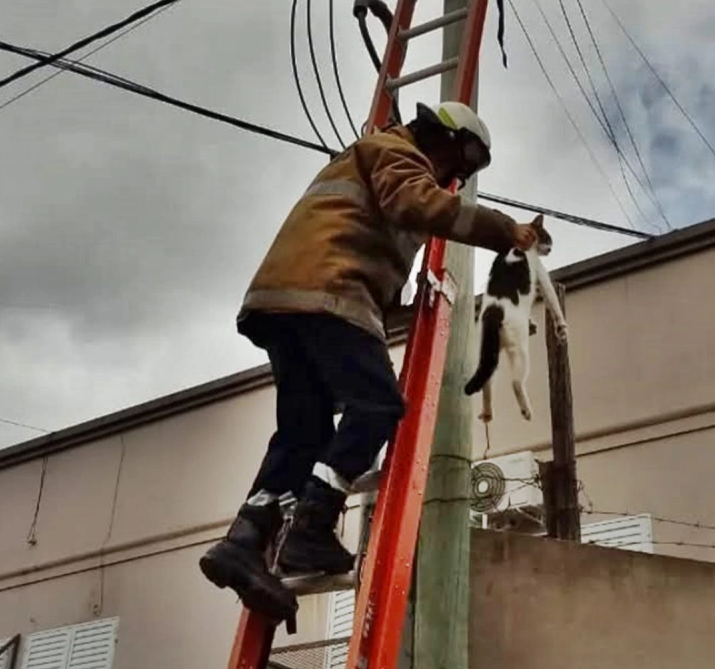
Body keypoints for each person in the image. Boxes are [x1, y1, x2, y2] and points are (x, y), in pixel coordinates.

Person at [198, 100, 538, 624]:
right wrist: (504, 231)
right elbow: (419, 205)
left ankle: (246, 538)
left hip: (283, 300)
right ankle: (312, 525)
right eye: (463, 162)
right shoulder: (396, 154)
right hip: (329, 294)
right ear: (445, 139)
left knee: (303, 431)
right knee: (377, 405)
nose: (458, 176)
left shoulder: (370, 157)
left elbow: (366, 234)